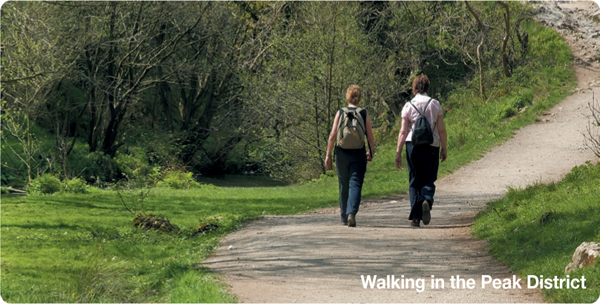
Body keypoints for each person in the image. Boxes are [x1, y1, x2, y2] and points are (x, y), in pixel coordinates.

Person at [395, 75, 448, 227]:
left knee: (414, 180)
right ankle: (426, 199)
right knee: (428, 178)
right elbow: (442, 130)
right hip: (431, 145)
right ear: (427, 87)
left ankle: (416, 217)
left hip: (413, 145)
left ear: (414, 87)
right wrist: (444, 148)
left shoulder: (408, 105)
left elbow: (403, 131)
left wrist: (398, 152)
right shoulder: (435, 104)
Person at [325, 85, 375, 227]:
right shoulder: (363, 113)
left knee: (343, 184)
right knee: (356, 183)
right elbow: (370, 137)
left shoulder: (340, 112)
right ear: (359, 98)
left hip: (341, 153)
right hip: (358, 153)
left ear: (347, 96)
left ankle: (343, 217)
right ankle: (351, 212)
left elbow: (332, 135)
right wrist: (371, 152)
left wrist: (328, 155)